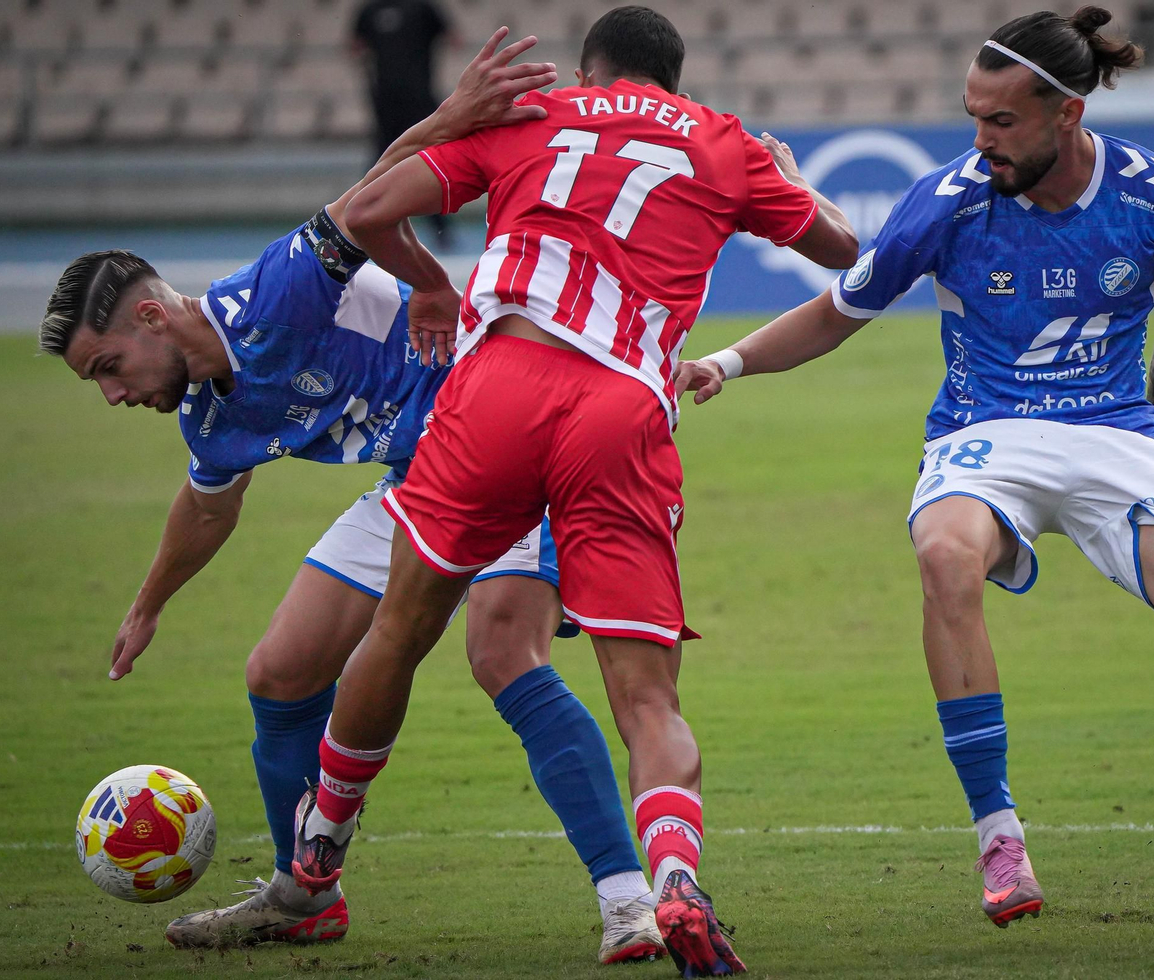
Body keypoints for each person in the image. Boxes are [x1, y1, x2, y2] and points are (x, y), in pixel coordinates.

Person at [675, 6, 1154, 949]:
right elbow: (838, 308)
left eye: (1001, 122)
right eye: (973, 117)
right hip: (988, 432)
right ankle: (999, 838)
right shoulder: (947, 199)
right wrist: (726, 365)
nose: (979, 140)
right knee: (945, 555)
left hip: (1118, 433)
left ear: (1065, 112)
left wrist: (1152, 452)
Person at [39, 32, 667, 965]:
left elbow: (369, 196)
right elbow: (209, 506)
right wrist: (147, 605)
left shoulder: (271, 295)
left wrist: (452, 123)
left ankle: (630, 902)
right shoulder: (208, 418)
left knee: (502, 650)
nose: (114, 394)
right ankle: (307, 893)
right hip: (419, 482)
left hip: (506, 438)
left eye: (108, 368)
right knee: (281, 671)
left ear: (148, 317)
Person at [286, 7, 858, 975]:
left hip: (498, 385)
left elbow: (369, 207)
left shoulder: (533, 116)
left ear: (592, 69)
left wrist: (428, 279)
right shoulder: (721, 142)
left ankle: (322, 839)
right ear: (671, 84)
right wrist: (795, 184)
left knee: (401, 625)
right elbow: (844, 252)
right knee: (646, 695)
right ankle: (673, 876)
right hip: (623, 408)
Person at [352, 0, 459, 248]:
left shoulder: (422, 7)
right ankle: (364, 220)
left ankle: (440, 227)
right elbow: (355, 44)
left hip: (419, 98)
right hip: (385, 101)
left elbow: (453, 37)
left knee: (427, 158)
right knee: (382, 160)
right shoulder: (371, 10)